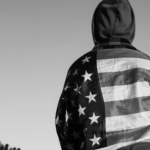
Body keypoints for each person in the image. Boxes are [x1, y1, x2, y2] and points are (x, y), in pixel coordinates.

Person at [55, 0, 150, 149]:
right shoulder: (147, 64)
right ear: (131, 28)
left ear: (95, 26)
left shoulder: (79, 68)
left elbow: (64, 121)